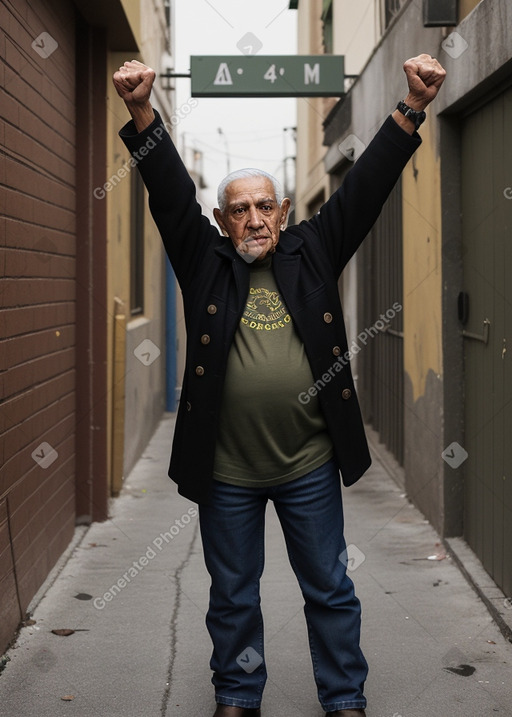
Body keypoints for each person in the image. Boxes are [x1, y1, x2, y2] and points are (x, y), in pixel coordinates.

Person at [113, 54, 446, 717]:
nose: (255, 219)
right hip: (228, 469)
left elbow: (367, 187)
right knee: (233, 590)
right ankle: (238, 692)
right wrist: (142, 112)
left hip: (308, 464)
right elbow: (170, 191)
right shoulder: (204, 260)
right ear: (222, 219)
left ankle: (344, 694)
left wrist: (412, 104)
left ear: (285, 210)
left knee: (328, 585)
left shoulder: (314, 248)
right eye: (240, 210)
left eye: (266, 205)